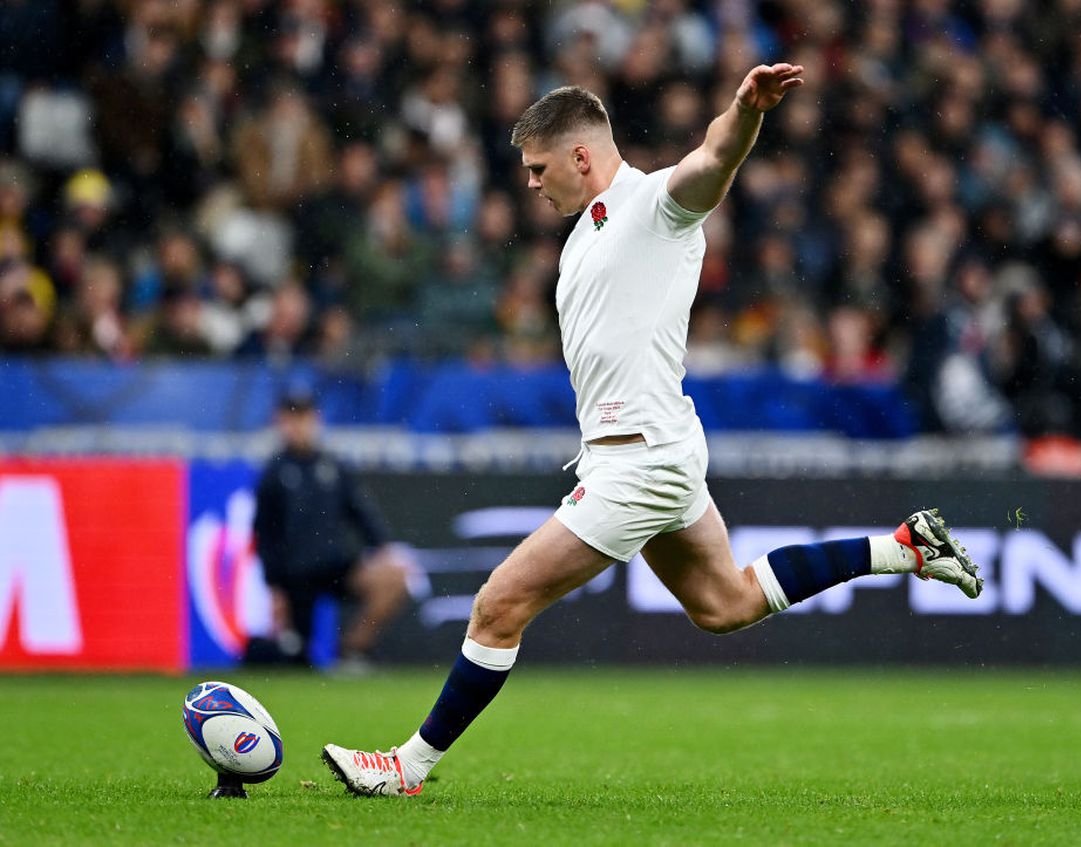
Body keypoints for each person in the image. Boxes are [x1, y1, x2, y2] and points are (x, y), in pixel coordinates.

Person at [322, 63, 982, 795]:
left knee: (498, 603)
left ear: (581, 155)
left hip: (641, 461)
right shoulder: (581, 239)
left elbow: (712, 160)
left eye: (540, 168)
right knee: (724, 603)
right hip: (651, 448)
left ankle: (407, 767)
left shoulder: (651, 205)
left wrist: (746, 113)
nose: (532, 183)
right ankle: (902, 548)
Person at [252, 387, 411, 669]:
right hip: (295, 576)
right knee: (297, 660)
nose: (299, 426)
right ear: (280, 423)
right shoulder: (274, 472)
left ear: (316, 420)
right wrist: (274, 585)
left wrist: (385, 548)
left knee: (394, 580)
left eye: (304, 417)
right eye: (292, 418)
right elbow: (265, 533)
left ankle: (353, 649)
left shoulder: (332, 466)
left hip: (335, 565)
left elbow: (360, 512)